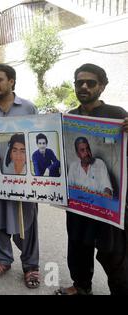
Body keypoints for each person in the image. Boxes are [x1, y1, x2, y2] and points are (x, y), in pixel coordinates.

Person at [55, 63, 128, 295]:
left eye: (90, 82)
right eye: (79, 83)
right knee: (77, 245)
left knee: (113, 253)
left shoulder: (118, 116)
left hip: (108, 209)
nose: (84, 86)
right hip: (77, 206)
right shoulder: (69, 117)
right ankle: (81, 286)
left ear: (102, 86)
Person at [0, 64, 40, 289]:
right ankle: (3, 260)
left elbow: (35, 143)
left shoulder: (28, 107)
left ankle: (31, 265)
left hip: (22, 181)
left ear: (12, 81)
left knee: (28, 222)